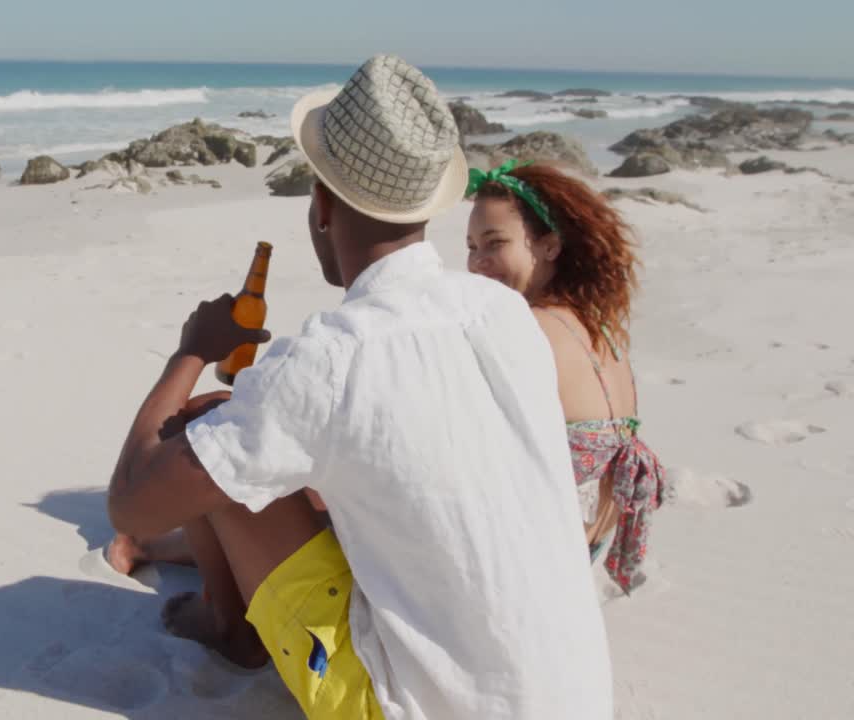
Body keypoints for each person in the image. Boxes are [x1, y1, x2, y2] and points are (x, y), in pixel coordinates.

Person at [107, 55, 611, 720]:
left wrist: (189, 353)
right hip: (573, 697)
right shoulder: (503, 312)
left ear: (321, 204)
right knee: (293, 455)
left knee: (209, 427)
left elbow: (132, 502)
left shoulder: (331, 359)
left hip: (416, 707)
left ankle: (230, 629)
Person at [465, 160, 669, 593]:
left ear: (549, 246)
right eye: (470, 246)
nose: (477, 262)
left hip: (530, 564)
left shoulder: (526, 330)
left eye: (494, 242)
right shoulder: (599, 325)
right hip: (582, 554)